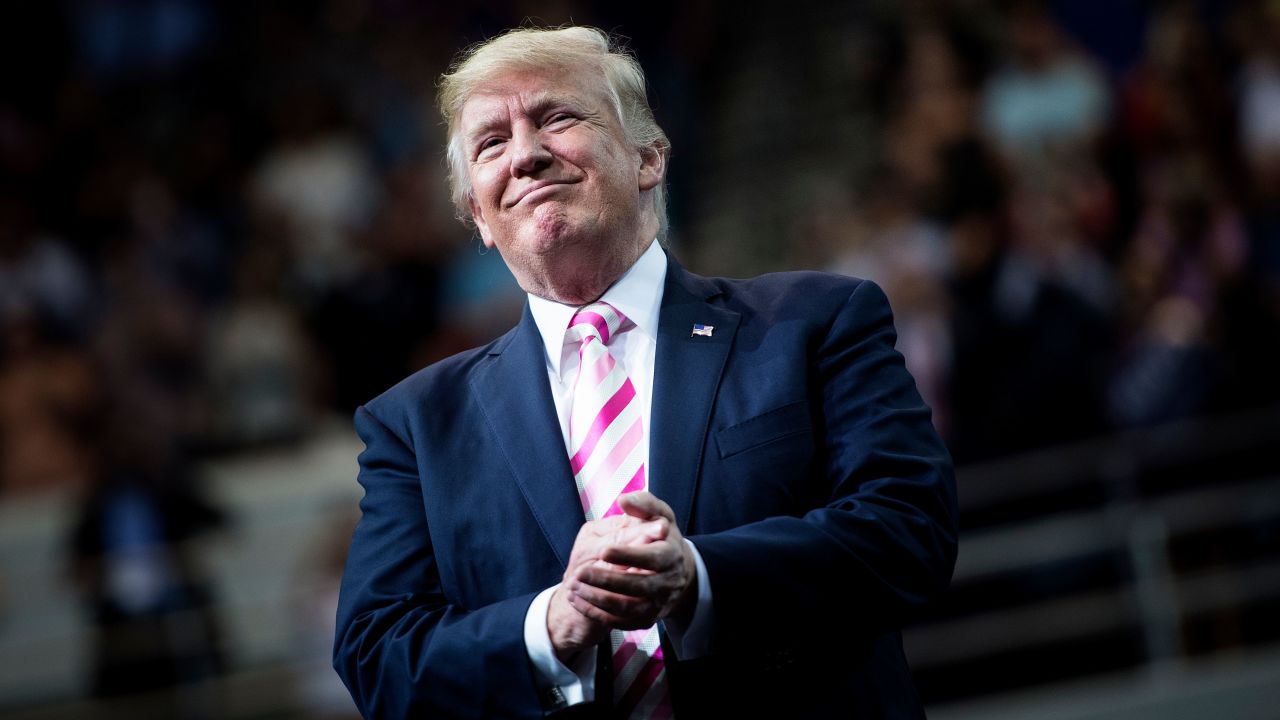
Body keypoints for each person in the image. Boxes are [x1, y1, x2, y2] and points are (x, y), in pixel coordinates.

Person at [333, 26, 958, 719]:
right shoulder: (416, 426)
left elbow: (910, 532)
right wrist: (550, 625)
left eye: (556, 117)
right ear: (478, 215)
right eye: (491, 143)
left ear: (649, 158)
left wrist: (701, 577)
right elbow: (377, 656)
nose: (527, 156)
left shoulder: (813, 323)